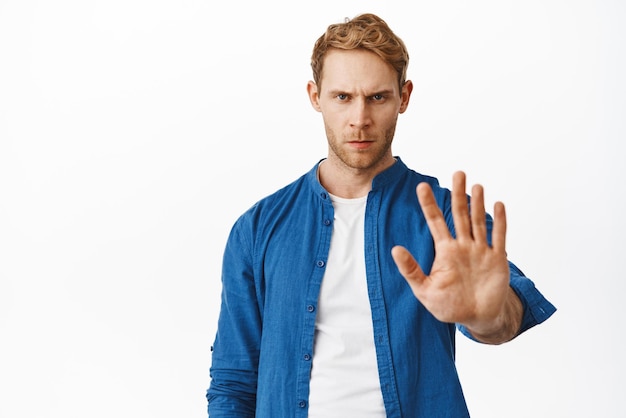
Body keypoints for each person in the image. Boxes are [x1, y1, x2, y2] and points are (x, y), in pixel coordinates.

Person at [206, 12, 556, 417]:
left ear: (403, 97)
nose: (360, 119)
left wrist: (488, 314)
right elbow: (233, 381)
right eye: (342, 97)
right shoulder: (258, 228)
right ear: (314, 96)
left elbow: (503, 317)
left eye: (377, 97)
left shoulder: (445, 216)